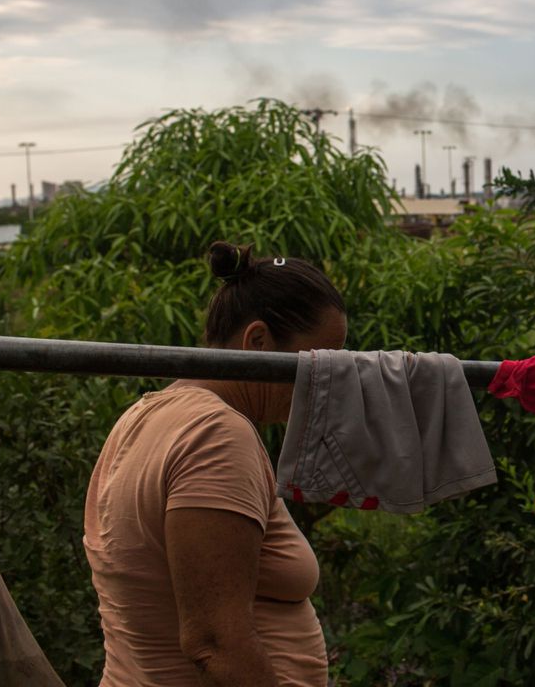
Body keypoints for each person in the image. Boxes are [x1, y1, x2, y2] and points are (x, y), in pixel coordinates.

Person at [83, 241, 347, 686]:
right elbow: (214, 643)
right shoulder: (215, 436)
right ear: (259, 341)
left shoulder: (146, 413)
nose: (325, 384)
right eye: (319, 362)